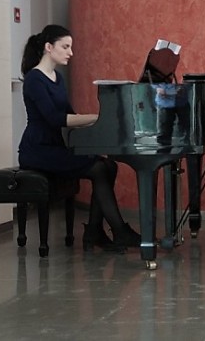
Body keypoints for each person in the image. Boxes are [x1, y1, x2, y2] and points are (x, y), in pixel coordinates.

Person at [18, 24, 141, 252]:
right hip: (37, 150)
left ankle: (95, 231)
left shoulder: (57, 78)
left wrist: (102, 122)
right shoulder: (35, 79)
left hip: (54, 147)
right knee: (99, 168)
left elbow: (71, 115)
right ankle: (117, 231)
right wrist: (97, 117)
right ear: (48, 47)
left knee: (109, 165)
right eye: (65, 47)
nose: (71, 52)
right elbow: (55, 119)